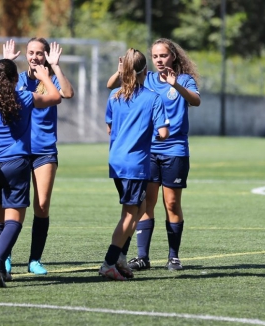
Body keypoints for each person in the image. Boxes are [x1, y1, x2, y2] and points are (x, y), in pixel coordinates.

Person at [107, 38, 200, 271]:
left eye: (164, 56)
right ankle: (142, 257)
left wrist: (175, 84)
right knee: (146, 204)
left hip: (175, 150)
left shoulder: (184, 79)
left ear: (173, 57)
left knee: (172, 203)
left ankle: (173, 256)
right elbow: (112, 86)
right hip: (147, 151)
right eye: (156, 56)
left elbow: (195, 101)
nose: (159, 60)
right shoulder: (146, 79)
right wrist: (120, 71)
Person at [0, 59, 62, 287]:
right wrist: (45, 77)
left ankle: (3, 271)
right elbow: (56, 97)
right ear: (16, 79)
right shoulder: (25, 98)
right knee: (14, 221)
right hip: (16, 164)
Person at [2, 38, 74, 275]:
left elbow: (67, 93)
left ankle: (35, 260)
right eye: (31, 53)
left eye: (39, 53)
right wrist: (6, 63)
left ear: (46, 56)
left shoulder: (50, 79)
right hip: (18, 152)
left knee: (41, 205)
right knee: (13, 206)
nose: (34, 57)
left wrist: (55, 67)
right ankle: (5, 256)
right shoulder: (17, 80)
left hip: (44, 151)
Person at [100, 48, 169, 281]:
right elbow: (163, 132)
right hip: (135, 163)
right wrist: (150, 135)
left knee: (135, 210)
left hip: (116, 160)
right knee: (131, 214)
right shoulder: (153, 98)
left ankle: (120, 257)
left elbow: (109, 128)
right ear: (145, 70)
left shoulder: (114, 96)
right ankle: (109, 262)